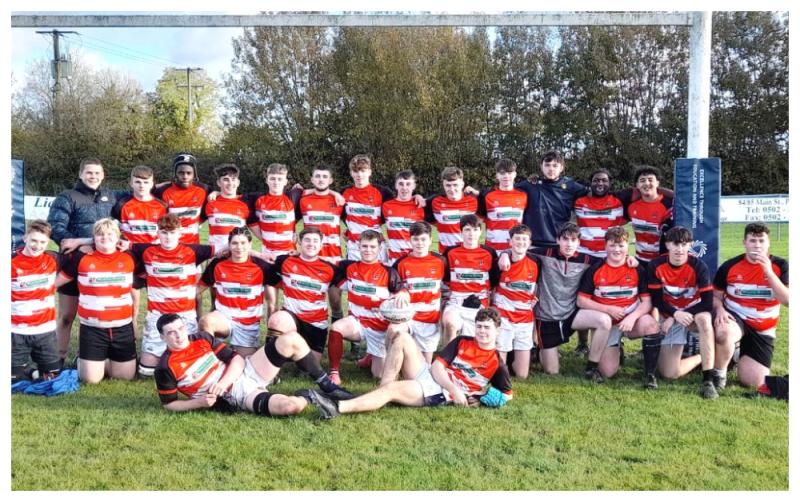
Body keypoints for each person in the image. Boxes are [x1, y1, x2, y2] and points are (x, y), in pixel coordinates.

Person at [301, 307, 513, 419]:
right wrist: (453, 387)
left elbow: (507, 394)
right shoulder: (462, 341)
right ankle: (381, 393)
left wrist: (480, 399)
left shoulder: (497, 363)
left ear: (497, 330)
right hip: (436, 378)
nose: (482, 331)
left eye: (487, 328)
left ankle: (337, 408)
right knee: (402, 337)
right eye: (479, 326)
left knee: (393, 390)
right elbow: (437, 366)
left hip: (439, 393)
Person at [153, 314, 350, 416]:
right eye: (171, 333)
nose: (179, 335)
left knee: (291, 339)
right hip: (238, 394)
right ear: (162, 337)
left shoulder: (202, 338)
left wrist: (222, 382)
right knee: (291, 406)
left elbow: (237, 359)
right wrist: (199, 403)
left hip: (246, 370)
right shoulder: (165, 368)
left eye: (181, 328)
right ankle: (309, 396)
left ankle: (329, 387)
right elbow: (169, 404)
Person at [47, 158, 124, 365]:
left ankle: (87, 357)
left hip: (100, 266)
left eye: (97, 173)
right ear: (81, 174)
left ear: (103, 175)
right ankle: (57, 359)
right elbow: (55, 227)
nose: (93, 176)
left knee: (94, 315)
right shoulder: (67, 197)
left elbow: (140, 189)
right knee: (66, 316)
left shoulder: (111, 196)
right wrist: (78, 245)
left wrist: (161, 186)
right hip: (74, 261)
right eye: (89, 173)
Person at [129, 214, 217, 377]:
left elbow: (228, 249)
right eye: (164, 232)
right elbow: (115, 243)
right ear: (158, 233)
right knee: (147, 372)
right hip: (157, 317)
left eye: (172, 232)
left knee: (188, 370)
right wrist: (82, 243)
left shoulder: (193, 251)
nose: (168, 237)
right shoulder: (146, 251)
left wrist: (260, 255)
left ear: (180, 232)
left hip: (184, 317)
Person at [54, 218, 137, 383]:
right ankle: (89, 360)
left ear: (118, 237)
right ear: (94, 238)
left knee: (125, 377)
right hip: (93, 328)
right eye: (100, 235)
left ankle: (105, 359)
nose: (105, 237)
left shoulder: (129, 257)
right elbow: (57, 282)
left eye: (110, 234)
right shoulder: (81, 257)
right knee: (90, 379)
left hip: (122, 328)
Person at [575, 227, 659, 385]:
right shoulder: (596, 269)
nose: (617, 249)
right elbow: (581, 300)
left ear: (628, 246)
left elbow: (647, 302)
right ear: (605, 246)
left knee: (651, 325)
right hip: (608, 325)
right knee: (608, 372)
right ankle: (616, 348)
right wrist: (608, 309)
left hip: (631, 320)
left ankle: (650, 375)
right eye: (612, 245)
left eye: (621, 245)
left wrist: (632, 317)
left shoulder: (637, 268)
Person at [327, 230, 409, 384]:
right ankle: (334, 372)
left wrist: (403, 294)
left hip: (379, 328)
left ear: (380, 248)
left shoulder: (389, 272)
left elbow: (401, 291)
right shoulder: (348, 268)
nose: (368, 250)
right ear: (358, 247)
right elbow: (326, 267)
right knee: (336, 328)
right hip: (357, 322)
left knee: (378, 376)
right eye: (364, 246)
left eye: (372, 247)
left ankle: (372, 356)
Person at [713, 222, 788, 389]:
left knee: (753, 382)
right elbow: (715, 296)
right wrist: (719, 309)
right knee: (724, 332)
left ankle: (735, 354)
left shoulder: (781, 266)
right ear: (744, 243)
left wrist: (768, 271)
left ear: (768, 243)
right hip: (736, 319)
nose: (757, 245)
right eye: (753, 241)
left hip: (763, 328)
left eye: (761, 241)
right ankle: (718, 376)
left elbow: (788, 301)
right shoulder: (729, 266)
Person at [647, 226, 717, 398]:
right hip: (671, 315)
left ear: (690, 245)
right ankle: (703, 356)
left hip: (694, 313)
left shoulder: (699, 266)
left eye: (684, 244)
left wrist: (678, 314)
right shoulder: (655, 265)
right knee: (669, 373)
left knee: (704, 320)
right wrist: (674, 314)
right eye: (675, 244)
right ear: (667, 245)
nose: (679, 249)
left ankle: (708, 380)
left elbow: (707, 303)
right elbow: (656, 301)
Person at [266, 227, 344, 363]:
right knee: (277, 320)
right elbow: (260, 264)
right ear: (299, 242)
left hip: (316, 323)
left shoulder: (331, 269)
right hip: (291, 318)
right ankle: (269, 362)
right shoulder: (284, 261)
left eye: (315, 241)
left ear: (321, 245)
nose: (311, 244)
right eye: (307, 240)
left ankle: (294, 352)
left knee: (308, 365)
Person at [111, 165, 169, 337]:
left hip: (154, 257)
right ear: (131, 183)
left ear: (152, 184)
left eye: (146, 182)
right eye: (137, 182)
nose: (141, 186)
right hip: (130, 257)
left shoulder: (161, 206)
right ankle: (132, 335)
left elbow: (166, 231)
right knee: (133, 302)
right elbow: (114, 228)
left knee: (158, 300)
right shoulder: (122, 204)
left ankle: (159, 335)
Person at [198, 227, 271, 357]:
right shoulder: (217, 264)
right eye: (235, 243)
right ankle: (210, 359)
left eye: (243, 243)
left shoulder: (262, 266)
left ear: (250, 244)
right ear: (229, 245)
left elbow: (284, 286)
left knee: (244, 362)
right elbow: (199, 288)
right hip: (224, 318)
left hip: (248, 324)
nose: (239, 247)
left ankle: (230, 353)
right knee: (206, 321)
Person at [244, 163, 303, 316]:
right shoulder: (258, 199)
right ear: (267, 180)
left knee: (293, 301)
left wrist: (295, 231)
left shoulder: (293, 197)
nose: (276, 182)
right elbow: (235, 200)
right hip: (267, 256)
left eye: (279, 179)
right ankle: (271, 331)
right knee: (271, 304)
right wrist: (263, 237)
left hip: (289, 256)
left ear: (285, 181)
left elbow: (311, 192)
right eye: (272, 178)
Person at [11, 220, 62, 382]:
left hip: (45, 331)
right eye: (33, 240)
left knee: (52, 378)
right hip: (16, 331)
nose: (37, 246)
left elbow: (79, 260)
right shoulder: (10, 262)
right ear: (25, 237)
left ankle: (32, 370)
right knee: (13, 380)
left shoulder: (53, 259)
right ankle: (27, 370)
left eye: (42, 242)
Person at [392, 221, 448, 363]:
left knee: (424, 366)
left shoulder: (441, 261)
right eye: (415, 239)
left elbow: (449, 285)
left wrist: (445, 307)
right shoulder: (401, 263)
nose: (419, 243)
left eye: (423, 239)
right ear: (410, 240)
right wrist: (401, 290)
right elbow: (393, 288)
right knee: (393, 330)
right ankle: (387, 356)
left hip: (430, 321)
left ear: (430, 240)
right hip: (408, 318)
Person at [441, 214, 500, 345]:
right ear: (461, 232)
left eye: (475, 229)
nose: (471, 234)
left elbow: (494, 281)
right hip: (456, 302)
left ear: (480, 232)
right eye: (467, 229)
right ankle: (448, 356)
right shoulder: (450, 252)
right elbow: (445, 279)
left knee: (475, 342)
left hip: (480, 303)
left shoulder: (489, 253)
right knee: (450, 324)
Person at [492, 224, 541, 379]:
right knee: (499, 373)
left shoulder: (536, 262)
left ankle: (512, 360)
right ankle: (502, 359)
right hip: (504, 318)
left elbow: (539, 285)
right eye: (517, 239)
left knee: (522, 375)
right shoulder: (500, 263)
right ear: (510, 242)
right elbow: (490, 287)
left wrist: (535, 297)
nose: (521, 242)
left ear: (530, 243)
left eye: (524, 239)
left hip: (525, 320)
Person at [514, 151, 588, 247]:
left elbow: (593, 194)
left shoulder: (570, 186)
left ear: (561, 168)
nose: (551, 169)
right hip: (532, 245)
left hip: (559, 244)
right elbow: (507, 189)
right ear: (541, 166)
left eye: (555, 165)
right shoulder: (530, 184)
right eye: (547, 165)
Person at [341, 154, 395, 261]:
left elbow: (400, 204)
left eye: (363, 171)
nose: (359, 175)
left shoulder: (383, 192)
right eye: (355, 171)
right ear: (351, 173)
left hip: (377, 247)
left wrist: (417, 196)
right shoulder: (344, 193)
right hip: (354, 248)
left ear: (369, 172)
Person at [154, 153, 210, 245]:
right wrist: (153, 187)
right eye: (181, 172)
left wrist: (216, 193)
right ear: (175, 174)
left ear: (194, 174)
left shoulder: (204, 190)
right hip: (170, 245)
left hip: (193, 245)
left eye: (189, 173)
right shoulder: (162, 191)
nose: (185, 176)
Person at [476, 158, 527, 252]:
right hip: (492, 249)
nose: (506, 176)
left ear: (515, 174)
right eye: (502, 173)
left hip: (515, 250)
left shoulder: (523, 195)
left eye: (510, 173)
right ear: (497, 175)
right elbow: (477, 222)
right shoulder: (486, 195)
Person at [625, 165, 673, 265]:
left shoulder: (669, 205)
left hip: (662, 262)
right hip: (638, 260)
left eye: (650, 180)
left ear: (657, 183)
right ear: (637, 185)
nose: (647, 183)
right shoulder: (631, 207)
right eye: (642, 180)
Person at [425, 166, 479, 253]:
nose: (452, 189)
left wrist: (478, 193)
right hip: (446, 255)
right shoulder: (435, 202)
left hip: (470, 254)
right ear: (443, 185)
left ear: (462, 184)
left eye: (455, 185)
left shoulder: (474, 200)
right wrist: (417, 196)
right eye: (448, 185)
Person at [202, 164, 249, 253]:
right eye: (226, 179)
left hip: (237, 255)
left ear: (238, 182)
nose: (230, 183)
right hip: (215, 255)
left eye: (233, 179)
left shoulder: (246, 202)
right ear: (219, 182)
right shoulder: (210, 202)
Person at [382, 170, 426, 265]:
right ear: (396, 185)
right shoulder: (386, 206)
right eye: (401, 184)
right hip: (393, 261)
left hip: (414, 261)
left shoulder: (421, 206)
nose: (404, 187)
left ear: (414, 186)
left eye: (408, 184)